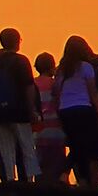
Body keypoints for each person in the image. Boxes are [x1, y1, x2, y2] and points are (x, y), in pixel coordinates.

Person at [0, 27, 39, 183]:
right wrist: (32, 110)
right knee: (27, 146)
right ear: (17, 41)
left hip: (0, 113)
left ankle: (9, 179)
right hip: (19, 111)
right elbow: (29, 86)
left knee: (6, 148)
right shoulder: (21, 60)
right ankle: (30, 179)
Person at [57, 36, 98, 186]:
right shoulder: (86, 67)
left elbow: (56, 92)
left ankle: (81, 178)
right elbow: (93, 92)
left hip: (65, 110)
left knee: (76, 144)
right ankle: (67, 173)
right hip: (83, 108)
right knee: (86, 143)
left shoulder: (61, 70)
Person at [33, 52, 68, 183]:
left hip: (38, 133)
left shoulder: (33, 84)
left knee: (40, 170)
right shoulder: (56, 84)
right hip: (56, 132)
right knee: (56, 170)